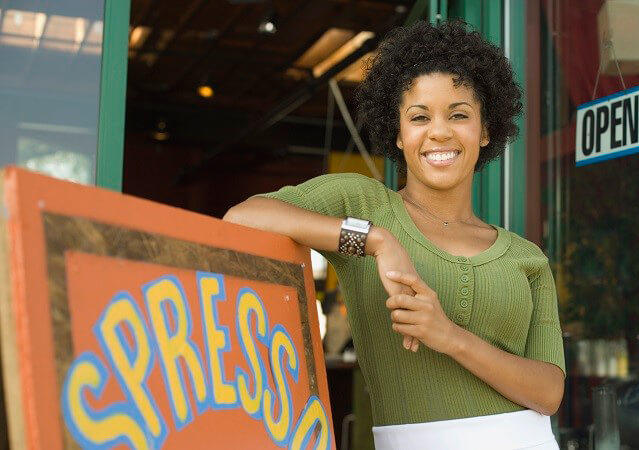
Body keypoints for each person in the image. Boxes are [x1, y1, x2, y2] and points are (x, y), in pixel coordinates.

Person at [224, 19, 565, 450]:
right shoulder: (362, 204)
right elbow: (243, 217)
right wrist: (374, 241)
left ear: (486, 130)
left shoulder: (526, 257)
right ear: (399, 134)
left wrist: (449, 337)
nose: (439, 131)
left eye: (459, 114)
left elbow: (550, 392)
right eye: (419, 117)